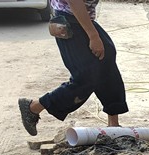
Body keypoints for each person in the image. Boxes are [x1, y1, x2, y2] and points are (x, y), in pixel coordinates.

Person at [18, 0, 127, 136]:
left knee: (106, 62)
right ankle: (34, 107)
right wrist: (93, 35)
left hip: (82, 18)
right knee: (86, 76)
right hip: (70, 19)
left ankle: (113, 124)